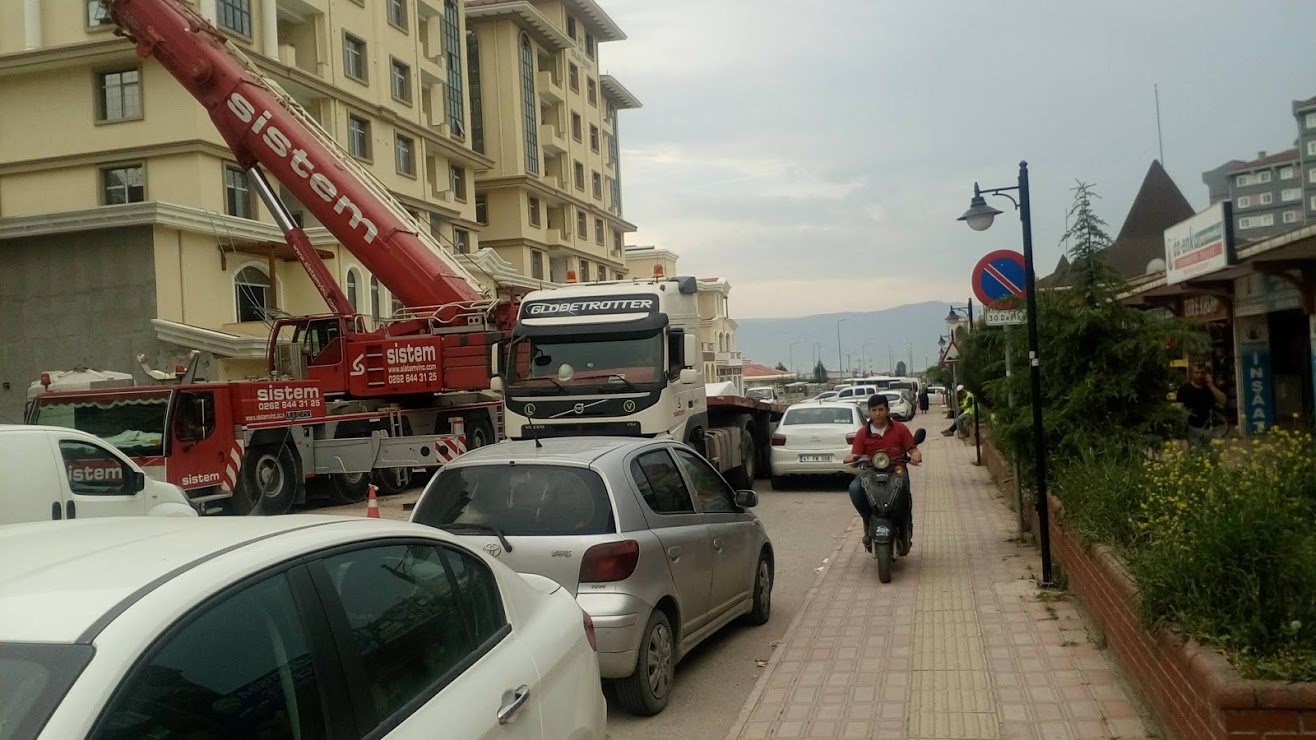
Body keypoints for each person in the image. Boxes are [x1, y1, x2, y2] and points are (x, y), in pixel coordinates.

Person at [844, 394, 922, 553]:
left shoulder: (900, 429)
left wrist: (915, 455)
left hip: (896, 470)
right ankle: (868, 519)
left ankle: (904, 528)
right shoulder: (862, 433)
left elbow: (912, 448)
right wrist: (852, 458)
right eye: (874, 410)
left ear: (887, 410)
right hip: (870, 473)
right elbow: (854, 456)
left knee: (904, 491)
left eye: (881, 409)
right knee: (855, 488)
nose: (877, 413)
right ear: (869, 412)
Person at [1177, 362, 1227, 444]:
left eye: (1202, 373)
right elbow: (1179, 407)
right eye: (1197, 372)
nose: (1199, 375)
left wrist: (1211, 386)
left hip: (1209, 427)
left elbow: (1223, 400)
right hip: (1192, 427)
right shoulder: (1184, 389)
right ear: (1191, 373)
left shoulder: (1210, 389)